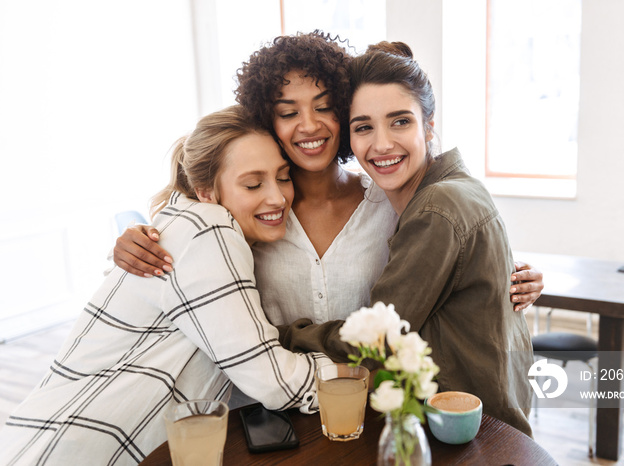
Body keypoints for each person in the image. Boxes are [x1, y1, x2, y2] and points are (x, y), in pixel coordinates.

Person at [112, 32, 544, 326]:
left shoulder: (389, 203)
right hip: (268, 414)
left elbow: (455, 248)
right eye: (287, 112)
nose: (309, 126)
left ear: (345, 112)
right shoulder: (251, 207)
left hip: (370, 411)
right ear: (267, 119)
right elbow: (185, 227)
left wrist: (518, 274)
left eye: (323, 107)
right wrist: (136, 237)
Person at [0, 105, 330, 465]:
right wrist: (360, 375)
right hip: (81, 446)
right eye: (253, 183)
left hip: (60, 433)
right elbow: (272, 380)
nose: (278, 197)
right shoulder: (210, 228)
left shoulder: (186, 222)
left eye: (283, 177)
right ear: (205, 190)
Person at [278, 41, 535, 436]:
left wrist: (286, 334)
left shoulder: (437, 207)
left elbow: (377, 339)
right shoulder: (450, 190)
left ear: (429, 125)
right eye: (364, 126)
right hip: (480, 421)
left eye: (400, 121)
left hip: (473, 434)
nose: (381, 144)